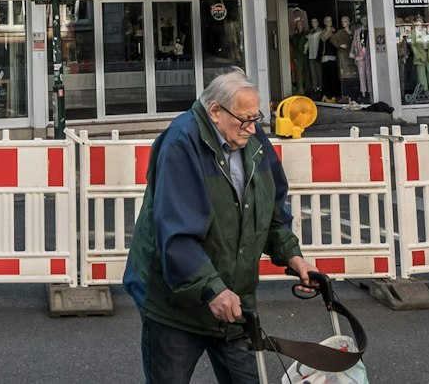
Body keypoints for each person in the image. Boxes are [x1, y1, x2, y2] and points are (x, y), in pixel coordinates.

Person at [124, 69, 317, 384]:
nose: (252, 128)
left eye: (256, 118)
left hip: (233, 301)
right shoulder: (181, 141)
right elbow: (177, 234)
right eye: (244, 119)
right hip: (176, 306)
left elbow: (270, 206)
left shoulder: (249, 135)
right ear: (215, 111)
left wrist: (293, 256)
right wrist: (213, 289)